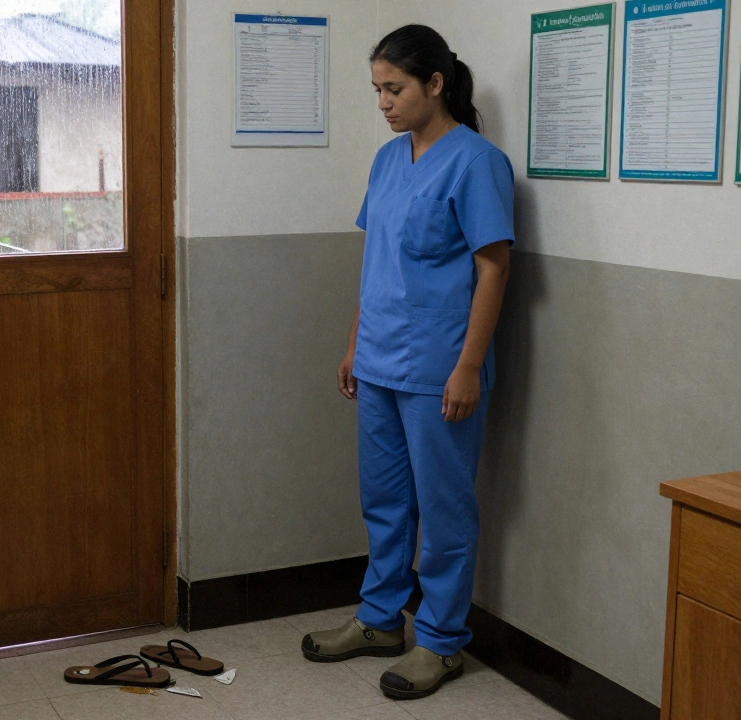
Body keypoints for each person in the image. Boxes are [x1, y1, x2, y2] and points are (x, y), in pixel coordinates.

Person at [301, 25, 514, 700]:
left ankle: (443, 642)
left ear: (435, 83)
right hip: (381, 359)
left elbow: (493, 269)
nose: (385, 103)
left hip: (440, 368)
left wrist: (468, 367)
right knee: (386, 501)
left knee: (444, 508)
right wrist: (354, 344)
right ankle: (379, 619)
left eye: (394, 88)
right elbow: (380, 261)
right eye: (377, 91)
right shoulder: (390, 161)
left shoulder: (477, 162)